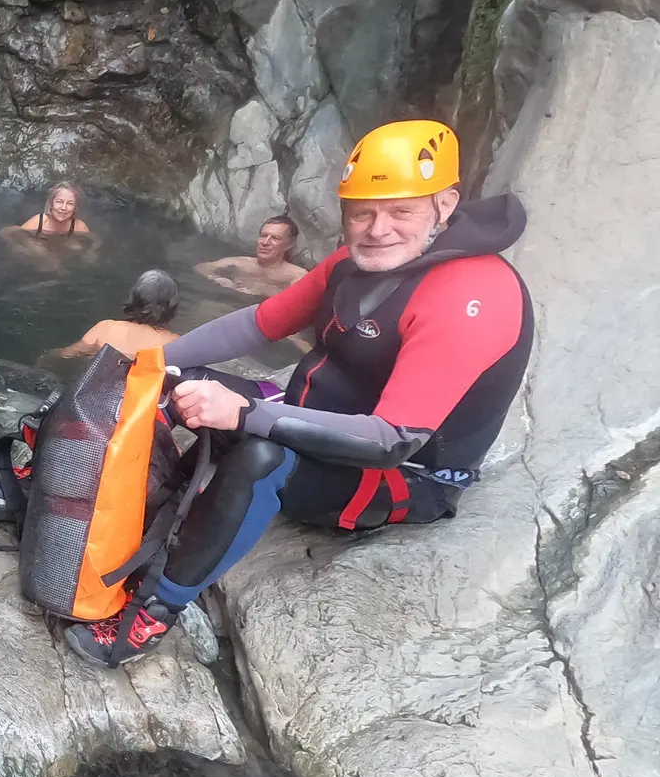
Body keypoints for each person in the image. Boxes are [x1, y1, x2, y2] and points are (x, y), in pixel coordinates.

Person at [55, 119, 531, 668]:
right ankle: (75, 502)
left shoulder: (474, 294)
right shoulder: (349, 266)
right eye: (362, 212)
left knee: (262, 458)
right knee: (162, 385)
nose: (377, 229)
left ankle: (152, 613)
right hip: (321, 419)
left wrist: (247, 414)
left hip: (407, 472)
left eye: (402, 211)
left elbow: (392, 440)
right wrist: (148, 361)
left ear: (444, 206)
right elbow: (258, 324)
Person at [48, 269, 182, 358]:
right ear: (172, 306)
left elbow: (68, 354)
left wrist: (49, 356)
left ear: (134, 298)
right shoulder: (174, 343)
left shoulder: (106, 328)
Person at [193, 214, 308, 299]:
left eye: (275, 238)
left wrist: (265, 290)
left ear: (289, 244)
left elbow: (297, 304)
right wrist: (219, 280)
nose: (265, 242)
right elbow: (200, 268)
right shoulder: (240, 262)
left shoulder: (297, 275)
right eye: (263, 236)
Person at [5, 183, 93, 240]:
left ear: (75, 207)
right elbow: (9, 234)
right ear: (51, 203)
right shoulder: (38, 222)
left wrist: (91, 253)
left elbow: (95, 241)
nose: (63, 208)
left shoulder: (78, 226)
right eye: (59, 202)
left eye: (70, 203)